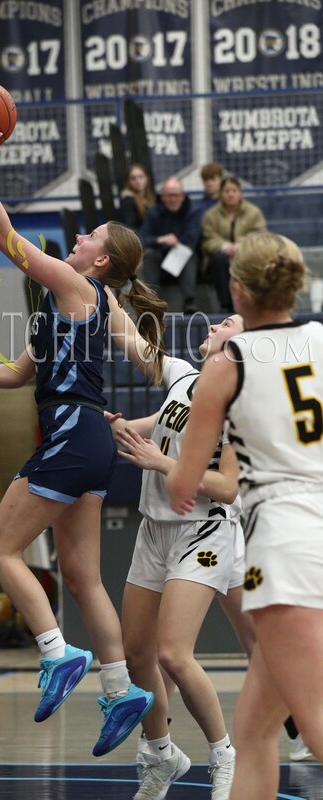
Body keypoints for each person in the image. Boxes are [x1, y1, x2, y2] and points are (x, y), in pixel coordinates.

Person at [0, 111, 169, 757]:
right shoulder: (80, 303)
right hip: (89, 441)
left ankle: (55, 652)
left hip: (72, 434)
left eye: (89, 234)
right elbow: (23, 371)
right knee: (82, 577)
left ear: (98, 259)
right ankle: (119, 690)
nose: (77, 235)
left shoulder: (77, 286)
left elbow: (2, 235)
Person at [166, 232, 323, 800]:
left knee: (316, 722)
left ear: (237, 290)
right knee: (255, 730)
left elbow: (184, 482)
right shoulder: (320, 338)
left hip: (284, 541)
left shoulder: (229, 362)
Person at [109, 314, 244, 800]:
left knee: (173, 654)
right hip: (154, 528)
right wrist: (90, 286)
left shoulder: (237, 407)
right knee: (137, 653)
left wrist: (161, 462)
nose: (219, 322)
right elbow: (126, 334)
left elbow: (228, 488)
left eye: (231, 323)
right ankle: (162, 755)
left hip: (203, 530)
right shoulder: (183, 375)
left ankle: (224, 753)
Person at [201, 176, 267, 312]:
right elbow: (207, 240)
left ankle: (251, 304)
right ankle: (226, 306)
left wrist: (240, 245)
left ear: (240, 192)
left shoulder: (254, 212)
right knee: (219, 260)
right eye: (226, 191)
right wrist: (224, 246)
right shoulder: (210, 215)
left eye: (234, 190)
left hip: (246, 253)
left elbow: (260, 235)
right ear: (220, 194)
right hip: (221, 257)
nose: (230, 194)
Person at [139, 176, 202, 315]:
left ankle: (189, 302)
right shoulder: (153, 212)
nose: (173, 199)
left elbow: (191, 241)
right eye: (169, 195)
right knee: (149, 255)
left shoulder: (193, 212)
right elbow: (142, 239)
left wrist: (173, 244)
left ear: (183, 196)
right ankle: (151, 301)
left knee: (188, 254)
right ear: (162, 197)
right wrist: (161, 240)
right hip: (159, 261)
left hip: (181, 260)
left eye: (176, 195)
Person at [119, 164, 156, 232]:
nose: (138, 181)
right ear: (128, 182)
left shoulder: (149, 198)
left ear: (147, 178)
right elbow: (131, 229)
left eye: (141, 177)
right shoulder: (128, 201)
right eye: (133, 178)